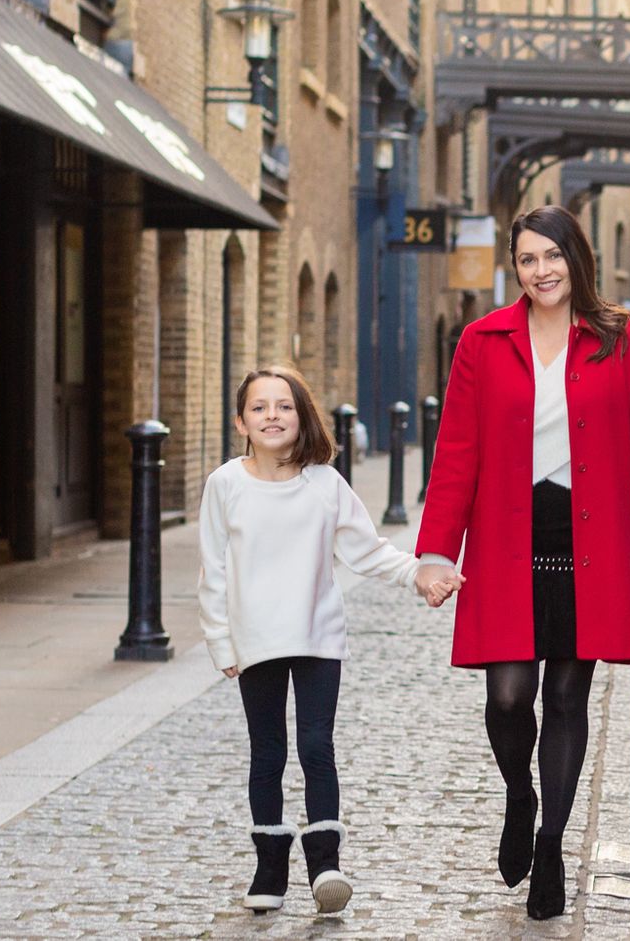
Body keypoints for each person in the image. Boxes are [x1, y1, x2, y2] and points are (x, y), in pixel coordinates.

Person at [418, 205, 630, 920]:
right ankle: (520, 794)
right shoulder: (481, 340)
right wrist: (437, 550)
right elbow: (457, 450)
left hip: (588, 538)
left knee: (566, 697)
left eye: (552, 256)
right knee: (507, 698)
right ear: (515, 265)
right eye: (527, 259)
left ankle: (552, 845)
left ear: (576, 257)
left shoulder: (624, 340)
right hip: (507, 537)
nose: (541, 271)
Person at [197, 365, 463, 916]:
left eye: (284, 406)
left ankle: (325, 867)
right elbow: (214, 572)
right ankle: (270, 867)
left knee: (317, 747)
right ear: (241, 421)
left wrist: (420, 575)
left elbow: (367, 551)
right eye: (260, 407)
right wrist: (222, 644)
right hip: (255, 640)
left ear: (302, 416)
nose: (272, 415)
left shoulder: (324, 483)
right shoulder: (225, 485)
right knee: (267, 752)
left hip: (318, 636)